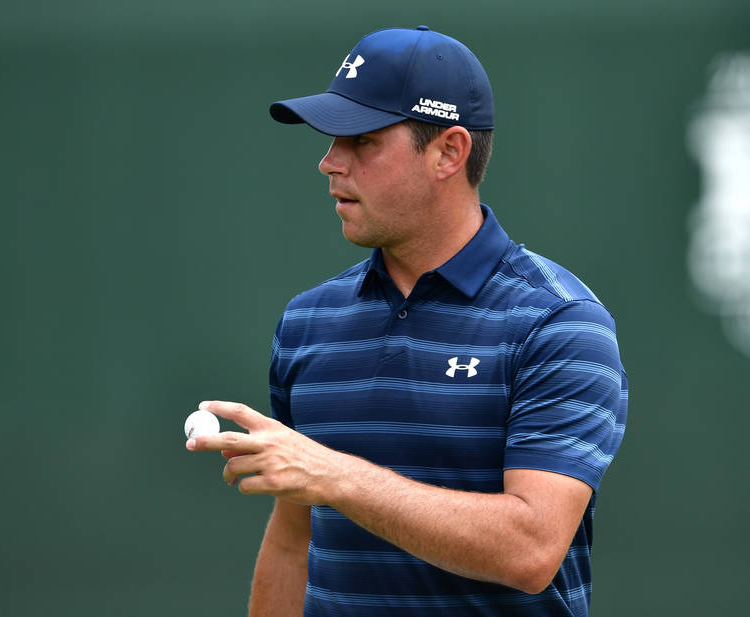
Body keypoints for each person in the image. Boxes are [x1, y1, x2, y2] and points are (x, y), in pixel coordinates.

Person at [186, 25, 627, 617]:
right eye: (330, 139)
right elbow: (295, 541)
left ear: (449, 152)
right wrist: (322, 480)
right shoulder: (309, 320)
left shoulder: (558, 323)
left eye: (362, 140)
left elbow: (531, 550)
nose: (328, 162)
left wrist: (334, 476)